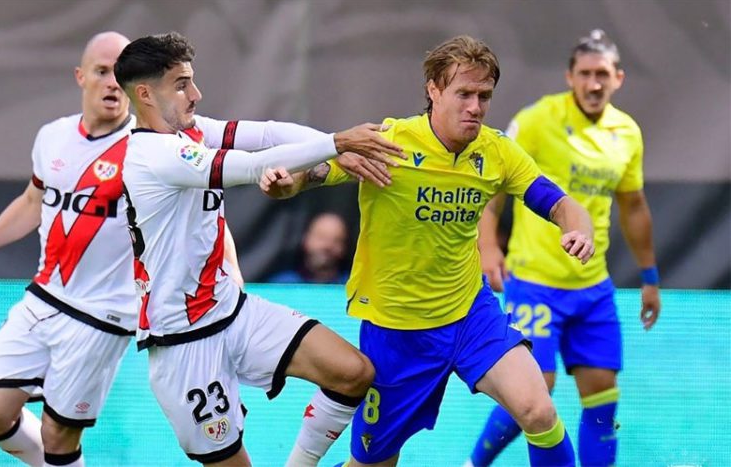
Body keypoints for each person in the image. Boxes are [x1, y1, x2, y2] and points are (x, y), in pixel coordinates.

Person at [260, 35, 596, 467]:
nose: (475, 107)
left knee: (539, 410)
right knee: (374, 463)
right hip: (396, 331)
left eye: (484, 96)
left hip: (469, 316)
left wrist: (578, 231)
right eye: (464, 94)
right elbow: (314, 173)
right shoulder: (389, 142)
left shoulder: (496, 152)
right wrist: (289, 182)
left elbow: (561, 203)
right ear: (433, 91)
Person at [114, 32, 406, 467]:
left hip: (234, 311)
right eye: (181, 84)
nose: (196, 94)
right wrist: (337, 144)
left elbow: (268, 133)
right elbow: (251, 166)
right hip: (183, 342)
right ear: (145, 94)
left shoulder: (194, 130)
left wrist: (334, 148)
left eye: (192, 81)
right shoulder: (150, 155)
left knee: (354, 373)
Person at [467, 30, 661, 467]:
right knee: (536, 392)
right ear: (570, 77)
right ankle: (473, 464)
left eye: (603, 75)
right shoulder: (537, 119)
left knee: (603, 398)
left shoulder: (626, 132)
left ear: (619, 79)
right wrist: (487, 246)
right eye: (586, 74)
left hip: (593, 288)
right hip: (534, 282)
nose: (595, 84)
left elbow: (633, 207)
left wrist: (650, 278)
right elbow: (493, 182)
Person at [0, 32, 137, 467]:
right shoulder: (52, 136)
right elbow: (33, 203)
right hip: (46, 297)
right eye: (102, 72)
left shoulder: (146, 149)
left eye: (121, 74)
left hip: (103, 313)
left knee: (57, 433)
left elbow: (201, 215)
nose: (112, 83)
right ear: (80, 77)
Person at [268, 212, 351, 284]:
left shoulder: (352, 287)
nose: (327, 246)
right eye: (321, 237)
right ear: (306, 239)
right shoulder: (281, 285)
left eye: (336, 240)